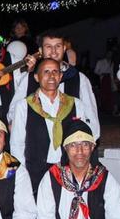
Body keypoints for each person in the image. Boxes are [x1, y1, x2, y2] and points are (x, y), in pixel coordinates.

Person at [10, 58, 96, 193]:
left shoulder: (75, 104)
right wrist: (22, 176)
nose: (51, 76)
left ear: (60, 76)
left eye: (55, 71)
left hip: (67, 170)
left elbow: (80, 139)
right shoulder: (24, 106)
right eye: (46, 72)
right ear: (37, 77)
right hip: (35, 172)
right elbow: (17, 144)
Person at [9, 31, 100, 138]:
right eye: (48, 47)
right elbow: (13, 112)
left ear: (64, 48)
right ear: (41, 50)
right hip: (37, 143)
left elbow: (91, 114)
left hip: (70, 141)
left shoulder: (79, 79)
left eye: (58, 46)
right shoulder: (29, 79)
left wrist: (89, 139)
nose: (53, 52)